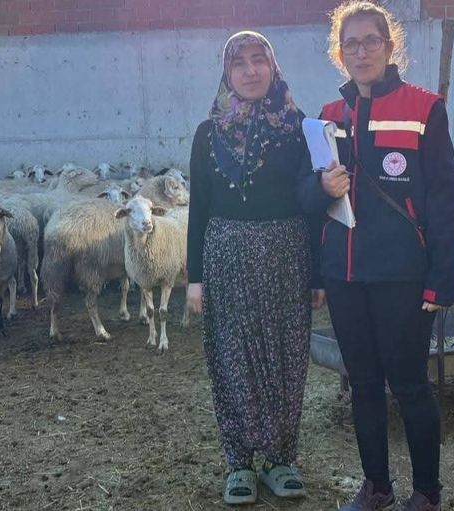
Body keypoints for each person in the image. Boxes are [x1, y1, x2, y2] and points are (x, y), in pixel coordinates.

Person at [297, 2, 454, 510]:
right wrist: (320, 187)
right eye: (350, 43)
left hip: (402, 277)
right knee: (364, 385)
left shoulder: (425, 108)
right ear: (339, 53)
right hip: (345, 275)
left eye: (371, 41)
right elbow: (306, 198)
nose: (362, 51)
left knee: (410, 385)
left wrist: (442, 279)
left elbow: (445, 200)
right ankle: (377, 487)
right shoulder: (328, 116)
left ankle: (427, 493)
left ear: (390, 47)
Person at [185, 31, 325, 505]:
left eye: (258, 60)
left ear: (273, 66)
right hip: (225, 257)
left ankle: (281, 459)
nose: (250, 71)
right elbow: (199, 209)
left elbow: (313, 205)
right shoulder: (208, 134)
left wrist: (318, 274)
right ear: (227, 73)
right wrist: (195, 278)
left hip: (288, 257)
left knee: (285, 358)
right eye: (239, 63)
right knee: (233, 359)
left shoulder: (298, 127)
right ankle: (240, 463)